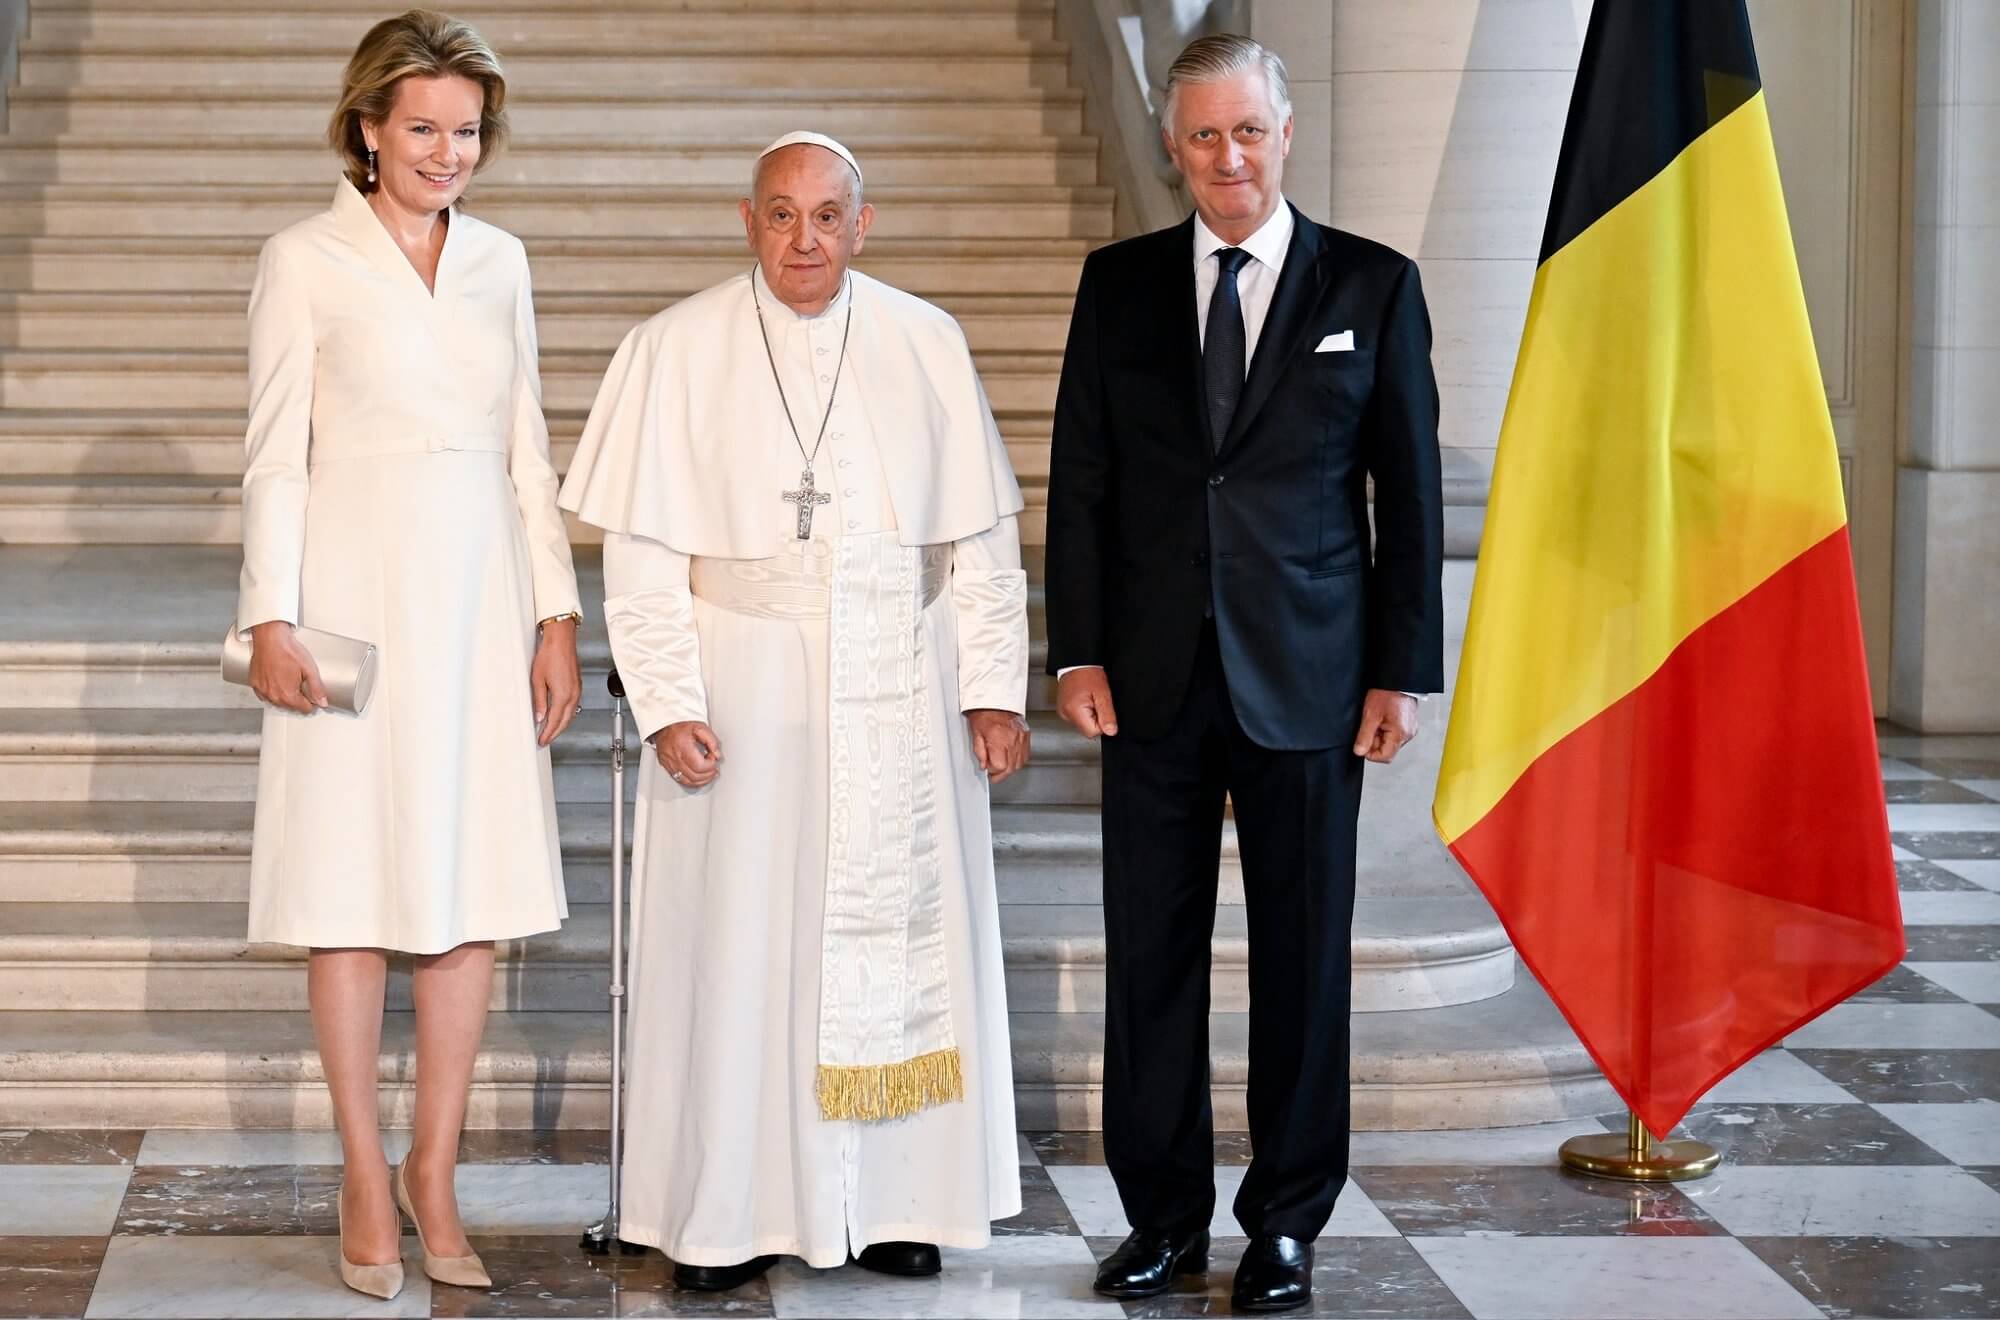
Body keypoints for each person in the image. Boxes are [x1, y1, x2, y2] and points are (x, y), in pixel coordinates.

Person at [559, 131, 1028, 1292]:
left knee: (902, 942)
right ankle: (731, 1214)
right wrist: (666, 701)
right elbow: (641, 557)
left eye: (827, 215)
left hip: (901, 684)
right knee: (741, 950)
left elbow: (979, 542)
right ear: (746, 219)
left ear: (862, 226)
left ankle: (900, 1204)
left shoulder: (926, 340)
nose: (805, 238)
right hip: (742, 686)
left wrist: (990, 689)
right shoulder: (672, 349)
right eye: (781, 214)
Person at [1043, 34, 1444, 1315]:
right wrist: (1079, 648)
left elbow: (1409, 496)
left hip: (1313, 678)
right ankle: (1158, 1219)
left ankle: (1284, 1223)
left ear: (1284, 135)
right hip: (1151, 679)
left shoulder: (1372, 286)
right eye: (1203, 135)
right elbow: (1083, 480)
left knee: (1302, 959)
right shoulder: (1115, 287)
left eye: (1247, 132)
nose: (1227, 157)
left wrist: (1397, 669)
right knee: (1147, 958)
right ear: (1172, 145)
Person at [235, 9, 581, 1301]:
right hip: (351, 609)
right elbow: (275, 450)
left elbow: (526, 449)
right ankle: (363, 1174)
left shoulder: (501, 262)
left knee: (470, 883)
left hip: (482, 604)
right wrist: (272, 614)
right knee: (348, 885)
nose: (447, 152)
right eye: (423, 127)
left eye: (467, 132)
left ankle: (434, 1168)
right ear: (369, 127)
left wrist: (556, 612)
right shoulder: (303, 259)